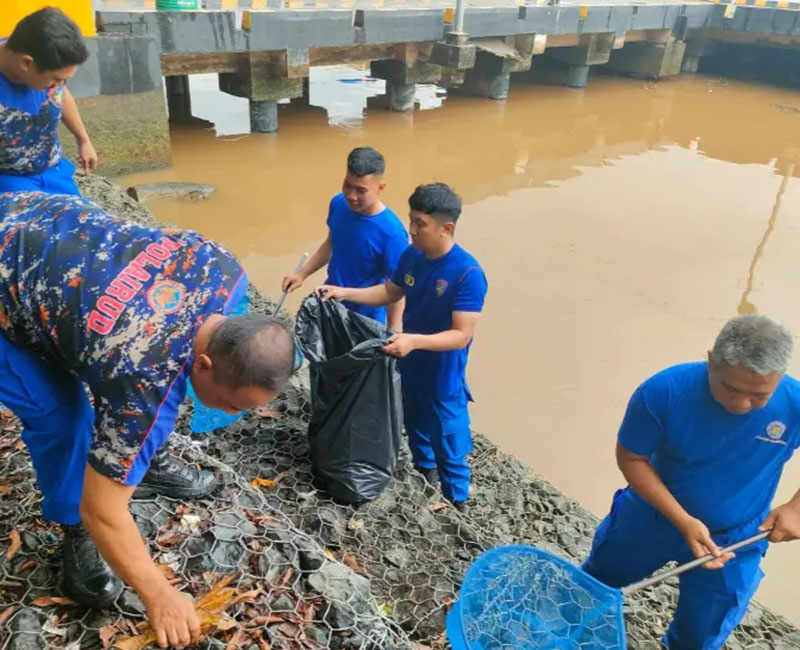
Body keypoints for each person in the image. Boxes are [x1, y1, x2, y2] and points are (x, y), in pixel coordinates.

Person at [0, 191, 295, 650]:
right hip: (8, 281)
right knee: (64, 417)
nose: (231, 416)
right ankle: (70, 530)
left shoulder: (222, 267)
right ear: (202, 365)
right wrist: (159, 594)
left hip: (39, 216)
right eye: (234, 406)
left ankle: (133, 459)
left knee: (121, 393)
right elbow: (104, 510)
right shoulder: (143, 378)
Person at [582, 315, 800, 650]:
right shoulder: (664, 391)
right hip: (651, 516)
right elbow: (631, 459)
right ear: (710, 360)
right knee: (595, 586)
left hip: (735, 536)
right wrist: (683, 521)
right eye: (730, 388)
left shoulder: (795, 403)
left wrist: (796, 508)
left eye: (759, 395)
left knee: (701, 633)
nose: (741, 404)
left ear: (779, 378)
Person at [317, 183, 488, 512]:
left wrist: (413, 340)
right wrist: (344, 292)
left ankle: (458, 504)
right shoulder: (412, 255)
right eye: (411, 221)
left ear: (446, 228)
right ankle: (425, 474)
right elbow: (389, 292)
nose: (411, 231)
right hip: (408, 361)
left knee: (449, 439)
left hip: (442, 373)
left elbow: (460, 335)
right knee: (413, 422)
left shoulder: (467, 274)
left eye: (420, 224)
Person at [282, 146, 408, 330]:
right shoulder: (338, 203)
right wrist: (301, 274)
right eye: (347, 185)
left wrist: (394, 331)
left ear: (380, 188)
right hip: (331, 303)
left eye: (361, 190)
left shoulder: (392, 233)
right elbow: (331, 244)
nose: (351, 196)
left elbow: (397, 290)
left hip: (365, 319)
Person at [0, 7, 97, 196]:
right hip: (10, 181)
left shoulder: (40, 61)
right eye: (55, 79)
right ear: (26, 63)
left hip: (54, 173)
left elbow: (61, 95)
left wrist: (83, 140)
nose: (59, 85)